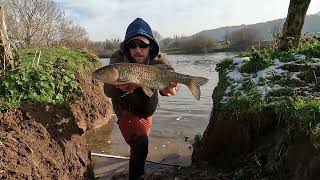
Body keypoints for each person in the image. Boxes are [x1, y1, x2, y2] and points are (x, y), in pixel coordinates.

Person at [103, 17, 180, 180]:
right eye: (133, 45)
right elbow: (107, 90)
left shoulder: (160, 60)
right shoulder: (117, 59)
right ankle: (136, 176)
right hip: (125, 105)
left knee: (142, 136)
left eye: (143, 45)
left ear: (151, 46)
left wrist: (170, 89)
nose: (138, 49)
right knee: (140, 144)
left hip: (147, 104)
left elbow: (171, 87)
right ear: (127, 47)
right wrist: (119, 88)